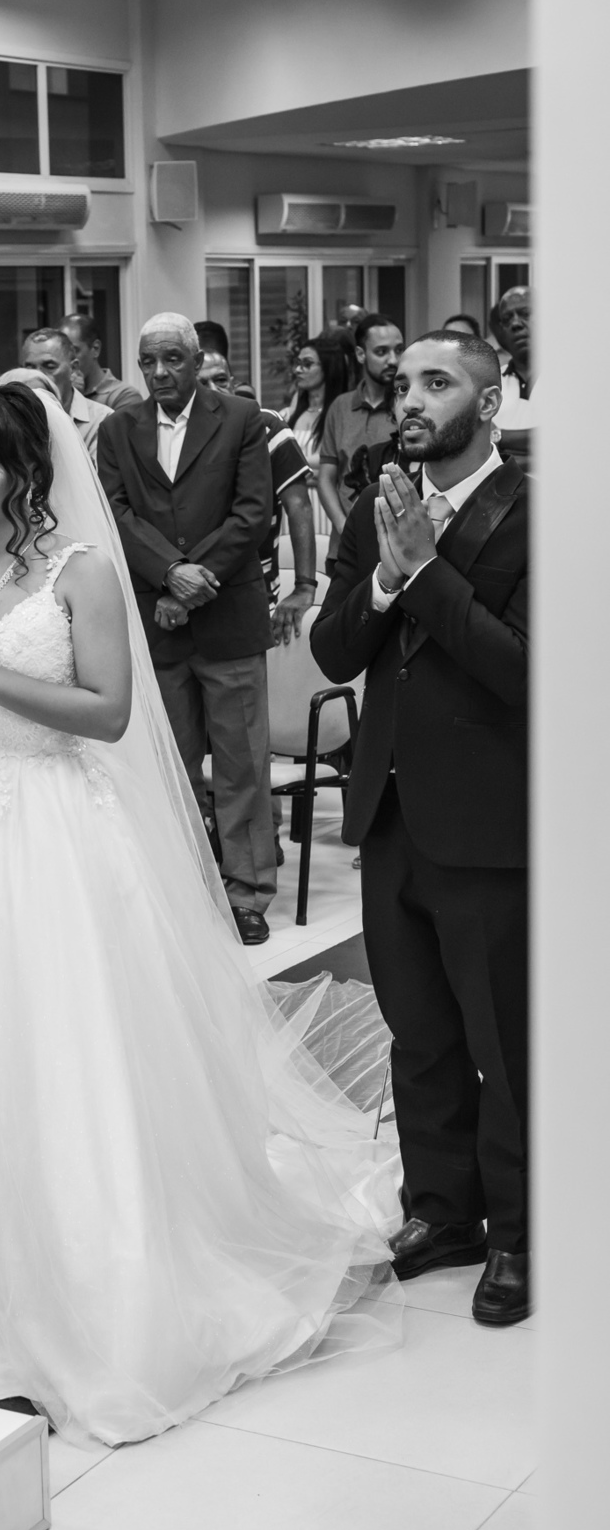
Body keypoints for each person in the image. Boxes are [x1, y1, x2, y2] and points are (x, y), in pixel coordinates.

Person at [0, 382, 401, 1447]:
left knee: (60, 1049)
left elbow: (107, 712)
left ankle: (90, 1276)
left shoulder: (82, 573)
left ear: (27, 470)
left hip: (53, 824)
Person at [310, 331, 529, 1327]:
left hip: (492, 821)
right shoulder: (375, 506)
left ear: (487, 404)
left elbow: (524, 671)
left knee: (507, 1045)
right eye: (403, 383)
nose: (410, 399)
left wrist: (429, 570)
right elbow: (333, 650)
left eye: (437, 383)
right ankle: (443, 1210)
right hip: (390, 810)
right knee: (420, 1034)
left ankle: (522, 1232)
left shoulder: (540, 513)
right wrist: (386, 579)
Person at [97, 314, 277, 944]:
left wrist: (194, 584)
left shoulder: (242, 418)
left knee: (241, 763)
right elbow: (114, 512)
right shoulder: (119, 428)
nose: (159, 372)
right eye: (148, 361)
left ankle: (247, 891)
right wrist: (171, 574)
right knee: (172, 764)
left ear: (198, 362)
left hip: (228, 617)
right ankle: (187, 886)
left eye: (172, 359)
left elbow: (252, 513)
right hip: (159, 619)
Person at [195, 351, 318, 643]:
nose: (214, 389)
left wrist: (304, 586)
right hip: (194, 589)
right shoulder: (179, 436)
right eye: (203, 383)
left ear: (233, 382)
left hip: (257, 590)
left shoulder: (264, 425)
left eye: (220, 380)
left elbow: (299, 506)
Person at [316, 315, 403, 573]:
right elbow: (326, 479)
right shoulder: (340, 407)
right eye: (382, 352)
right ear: (360, 354)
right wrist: (343, 526)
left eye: (399, 350)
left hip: (398, 551)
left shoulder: (409, 406)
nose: (393, 360)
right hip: (344, 549)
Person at [21, 327, 112, 460]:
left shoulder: (103, 421)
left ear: (73, 368)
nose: (38, 376)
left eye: (49, 367)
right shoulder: (14, 418)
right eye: (30, 368)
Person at [284, 338, 352, 480]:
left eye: (307, 364)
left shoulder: (343, 412)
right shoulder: (290, 413)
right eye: (298, 363)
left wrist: (290, 466)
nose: (298, 370)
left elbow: (338, 464)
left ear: (329, 367)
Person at [60, 314, 142, 410]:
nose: (66, 359)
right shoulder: (57, 394)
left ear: (95, 349)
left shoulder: (124, 395)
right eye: (61, 353)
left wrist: (76, 401)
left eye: (74, 351)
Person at [492, 286, 534, 454]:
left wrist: (498, 436)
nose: (515, 324)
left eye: (525, 313)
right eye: (507, 319)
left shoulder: (570, 377)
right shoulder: (491, 382)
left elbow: (567, 436)